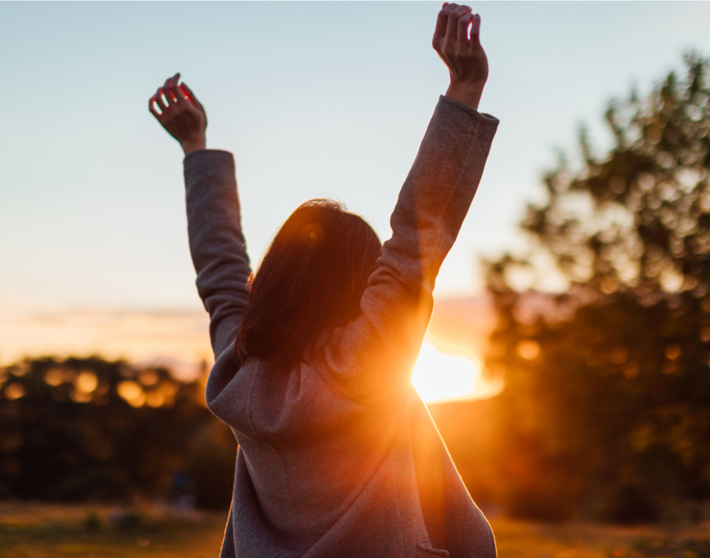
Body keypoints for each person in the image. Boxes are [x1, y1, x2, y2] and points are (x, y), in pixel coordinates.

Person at [150, 4, 499, 557]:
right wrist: (465, 87)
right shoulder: (364, 362)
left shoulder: (238, 369)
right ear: (356, 289)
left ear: (270, 282)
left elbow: (220, 273)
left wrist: (197, 150)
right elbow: (415, 241)